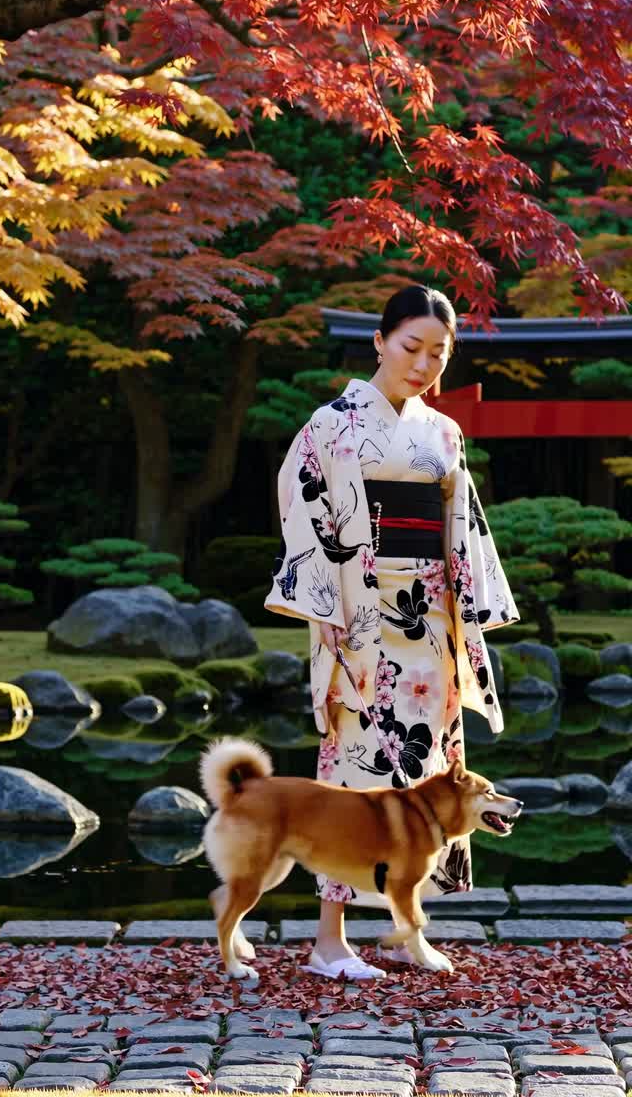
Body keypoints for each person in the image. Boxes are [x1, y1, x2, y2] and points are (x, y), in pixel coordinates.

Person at [264, 283, 520, 979]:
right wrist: (336, 606)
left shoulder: (443, 433)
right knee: (354, 775)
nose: (425, 364)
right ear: (379, 342)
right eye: (412, 347)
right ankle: (329, 941)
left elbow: (460, 530)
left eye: (440, 352)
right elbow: (298, 503)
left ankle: (407, 929)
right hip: (363, 617)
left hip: (431, 621)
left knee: (435, 775)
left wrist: (465, 614)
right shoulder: (332, 425)